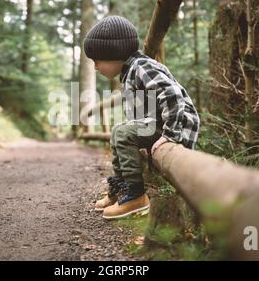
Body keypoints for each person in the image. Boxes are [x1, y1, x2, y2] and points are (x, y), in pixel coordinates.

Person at [83, 16, 200, 220]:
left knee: (122, 132)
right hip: (158, 124)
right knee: (119, 131)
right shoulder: (130, 71)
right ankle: (121, 188)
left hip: (175, 125)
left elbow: (172, 95)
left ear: (114, 54)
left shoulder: (142, 67)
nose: (95, 67)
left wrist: (170, 134)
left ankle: (135, 196)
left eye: (97, 60)